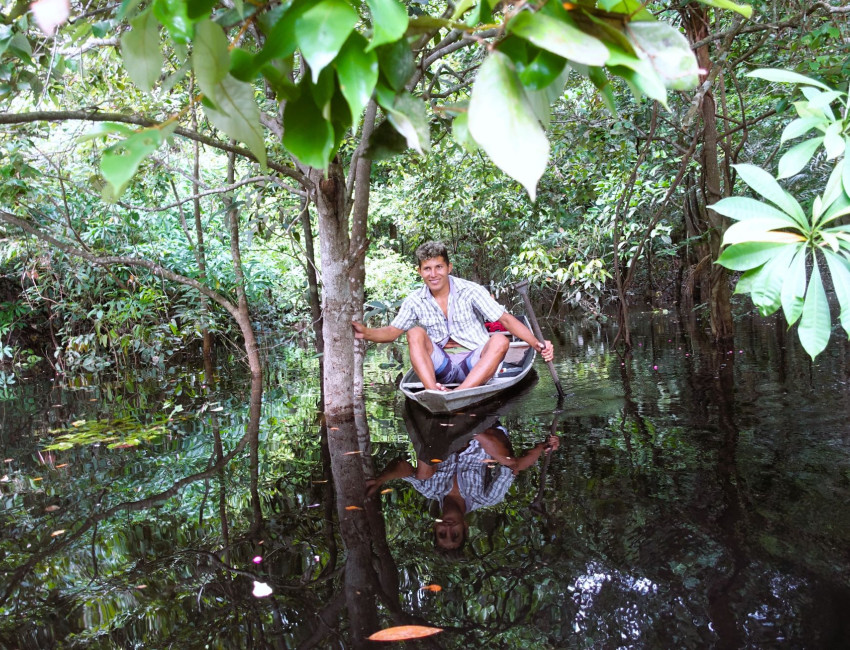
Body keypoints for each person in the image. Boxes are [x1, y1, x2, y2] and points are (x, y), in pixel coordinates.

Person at [351, 241, 554, 391]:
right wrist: (365, 332)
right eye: (427, 269)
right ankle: (433, 392)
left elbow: (506, 320)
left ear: (449, 267)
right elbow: (391, 332)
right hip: (443, 366)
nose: (433, 274)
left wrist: (538, 344)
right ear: (419, 271)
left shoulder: (470, 290)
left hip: (474, 363)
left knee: (500, 340)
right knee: (414, 333)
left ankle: (460, 392)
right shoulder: (414, 300)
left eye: (439, 267)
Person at [366, 425, 560, 551]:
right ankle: (468, 427)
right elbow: (515, 466)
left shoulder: (429, 490)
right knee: (509, 464)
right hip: (485, 433)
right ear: (465, 527)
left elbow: (403, 467)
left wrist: (381, 479)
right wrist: (544, 446)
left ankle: (434, 426)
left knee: (423, 474)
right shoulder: (487, 498)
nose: (448, 529)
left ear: (435, 526)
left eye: (442, 534)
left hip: (445, 433)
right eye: (455, 534)